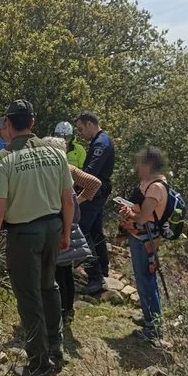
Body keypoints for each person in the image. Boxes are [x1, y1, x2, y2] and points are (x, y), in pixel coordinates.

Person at [0, 99, 74, 376]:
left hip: (24, 233)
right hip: (53, 228)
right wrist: (67, 232)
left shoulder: (3, 159)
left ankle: (38, 362)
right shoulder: (56, 154)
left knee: (29, 296)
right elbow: (68, 199)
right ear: (33, 123)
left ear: (8, 124)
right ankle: (56, 349)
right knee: (49, 288)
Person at [45, 138, 102, 332]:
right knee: (65, 268)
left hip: (57, 222)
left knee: (57, 269)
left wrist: (74, 201)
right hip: (69, 221)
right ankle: (67, 308)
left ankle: (60, 309)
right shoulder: (69, 168)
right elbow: (94, 184)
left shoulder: (54, 170)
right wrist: (78, 200)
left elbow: (94, 184)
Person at [118, 147, 168, 344]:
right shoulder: (150, 183)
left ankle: (153, 327)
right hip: (141, 237)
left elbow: (144, 217)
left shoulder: (156, 187)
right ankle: (149, 318)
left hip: (145, 239)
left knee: (146, 280)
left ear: (148, 165)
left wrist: (128, 214)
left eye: (139, 163)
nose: (137, 167)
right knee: (144, 279)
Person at [74, 111, 115, 294]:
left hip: (93, 192)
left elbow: (92, 171)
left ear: (90, 124)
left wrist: (75, 186)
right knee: (95, 231)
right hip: (98, 191)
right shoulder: (101, 140)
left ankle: (95, 277)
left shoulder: (101, 143)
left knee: (82, 230)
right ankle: (103, 268)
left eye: (81, 129)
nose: (80, 134)